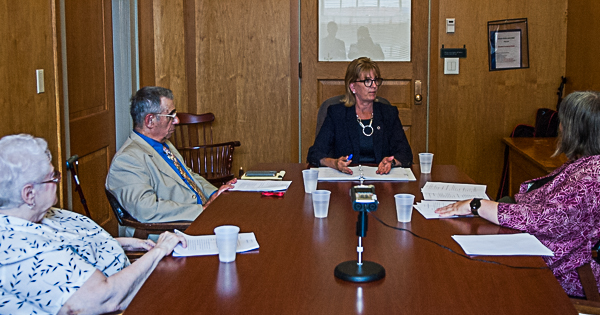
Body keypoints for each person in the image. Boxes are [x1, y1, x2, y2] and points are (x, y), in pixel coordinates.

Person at [436, 91, 600, 298]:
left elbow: (547, 218)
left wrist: (477, 205)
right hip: (539, 252)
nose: (559, 127)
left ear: (578, 129)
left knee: (470, 281)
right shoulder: (584, 163)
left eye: (562, 122)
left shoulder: (592, 175)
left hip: (562, 273)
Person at [0, 134, 187, 314]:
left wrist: (120, 242)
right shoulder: (21, 252)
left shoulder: (38, 215)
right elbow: (105, 299)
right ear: (29, 194)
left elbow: (70, 243)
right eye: (52, 177)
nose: (57, 181)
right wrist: (159, 251)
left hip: (134, 281)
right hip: (125, 302)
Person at [106, 86, 235, 236]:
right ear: (150, 120)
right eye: (171, 116)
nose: (177, 120)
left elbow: (189, 175)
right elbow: (146, 209)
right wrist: (202, 210)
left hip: (197, 221)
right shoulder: (127, 160)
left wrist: (214, 193)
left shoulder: (163, 143)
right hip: (172, 233)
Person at [307, 57, 413, 175]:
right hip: (346, 180)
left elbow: (405, 154)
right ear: (352, 87)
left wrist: (392, 163)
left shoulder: (388, 113)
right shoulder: (337, 114)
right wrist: (335, 163)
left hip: (381, 178)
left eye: (376, 80)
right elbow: (315, 153)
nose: (374, 86)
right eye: (367, 81)